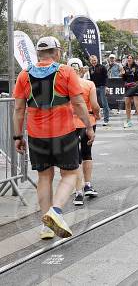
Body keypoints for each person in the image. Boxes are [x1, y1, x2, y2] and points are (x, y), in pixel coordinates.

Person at [13, 37, 95, 239]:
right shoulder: (65, 71)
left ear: (39, 54)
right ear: (57, 53)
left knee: (44, 177)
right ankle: (55, 212)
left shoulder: (24, 75)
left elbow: (18, 109)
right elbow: (77, 103)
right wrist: (88, 126)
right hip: (63, 132)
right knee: (70, 173)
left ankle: (46, 227)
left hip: (36, 134)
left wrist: (17, 136)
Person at [67, 58, 100, 206]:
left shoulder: (63, 85)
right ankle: (87, 184)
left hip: (69, 124)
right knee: (87, 153)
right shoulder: (89, 84)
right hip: (88, 122)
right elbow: (95, 105)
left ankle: (78, 192)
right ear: (81, 70)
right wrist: (97, 115)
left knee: (75, 157)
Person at [121, 54, 138, 128]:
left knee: (137, 104)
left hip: (135, 86)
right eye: (128, 58)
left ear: (133, 59)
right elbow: (124, 79)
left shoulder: (136, 67)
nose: (129, 59)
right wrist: (122, 74)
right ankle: (129, 121)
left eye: (131, 58)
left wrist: (134, 72)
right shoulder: (124, 67)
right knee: (127, 104)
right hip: (128, 87)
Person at [88, 55, 109, 126]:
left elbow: (106, 77)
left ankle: (106, 120)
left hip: (102, 87)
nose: (93, 62)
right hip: (94, 87)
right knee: (93, 104)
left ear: (97, 60)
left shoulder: (102, 67)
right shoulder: (90, 68)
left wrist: (106, 87)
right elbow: (91, 79)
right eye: (92, 60)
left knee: (104, 103)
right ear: (90, 61)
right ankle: (94, 118)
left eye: (94, 60)